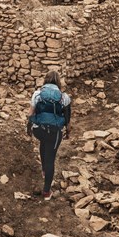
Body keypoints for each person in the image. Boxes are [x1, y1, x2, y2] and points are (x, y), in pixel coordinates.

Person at [26, 70, 71, 200]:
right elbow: (68, 121)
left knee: (43, 143)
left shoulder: (37, 94)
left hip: (39, 130)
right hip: (54, 132)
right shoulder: (64, 98)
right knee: (51, 156)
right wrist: (67, 133)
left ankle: (44, 170)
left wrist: (29, 128)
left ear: (45, 80)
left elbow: (30, 114)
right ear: (58, 82)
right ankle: (46, 192)